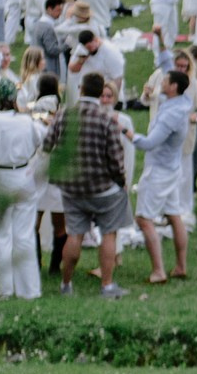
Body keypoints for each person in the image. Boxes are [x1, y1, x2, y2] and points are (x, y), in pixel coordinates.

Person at [41, 74, 132, 298]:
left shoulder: (64, 115)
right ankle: (107, 285)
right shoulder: (105, 119)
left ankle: (66, 284)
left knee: (75, 235)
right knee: (108, 234)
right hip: (103, 188)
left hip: (72, 187)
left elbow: (47, 144)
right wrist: (121, 182)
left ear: (81, 89)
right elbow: (115, 156)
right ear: (101, 92)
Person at [0, 79, 45, 300]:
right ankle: (30, 290)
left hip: (0, 176)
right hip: (23, 175)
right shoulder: (26, 122)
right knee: (25, 236)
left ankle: (5, 291)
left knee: (1, 237)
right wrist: (32, 162)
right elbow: (44, 139)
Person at [133, 69, 194, 283]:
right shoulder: (182, 102)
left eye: (165, 81)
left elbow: (150, 143)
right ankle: (180, 266)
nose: (162, 82)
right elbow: (168, 65)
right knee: (173, 214)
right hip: (172, 167)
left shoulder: (171, 115)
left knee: (143, 218)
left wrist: (127, 133)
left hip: (159, 169)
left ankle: (158, 270)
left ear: (174, 86)